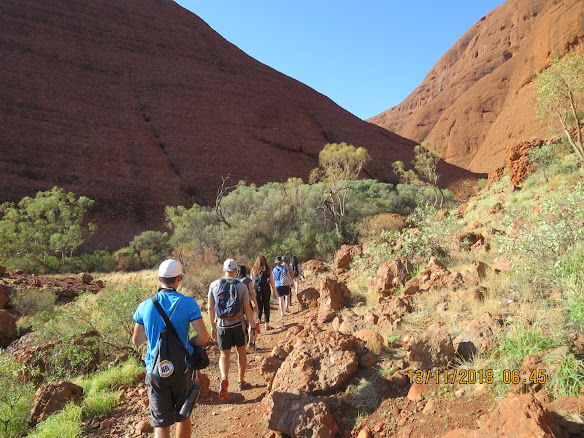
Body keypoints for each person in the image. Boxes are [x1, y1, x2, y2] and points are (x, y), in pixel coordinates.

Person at [132, 259, 209, 438]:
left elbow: (137, 340)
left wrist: (152, 336)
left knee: (161, 423)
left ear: (159, 279)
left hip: (155, 371)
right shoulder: (188, 303)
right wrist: (189, 343)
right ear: (178, 279)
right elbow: (204, 337)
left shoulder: (145, 305)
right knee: (183, 416)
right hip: (181, 369)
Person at [208, 258, 256, 400]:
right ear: (236, 271)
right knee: (241, 352)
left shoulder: (214, 285)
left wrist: (212, 326)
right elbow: (247, 309)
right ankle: (241, 382)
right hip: (238, 325)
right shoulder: (241, 286)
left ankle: (224, 377)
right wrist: (253, 327)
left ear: (224, 270)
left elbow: (210, 308)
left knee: (224, 355)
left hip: (222, 325)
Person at [236, 264, 260, 347]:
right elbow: (252, 294)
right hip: (247, 304)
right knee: (251, 322)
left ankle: (241, 344)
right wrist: (256, 304)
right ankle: (250, 342)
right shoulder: (248, 280)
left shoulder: (233, 281)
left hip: (237, 306)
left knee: (239, 324)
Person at [250, 255, 274, 330]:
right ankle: (267, 324)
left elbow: (251, 281)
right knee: (266, 306)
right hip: (266, 290)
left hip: (256, 291)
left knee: (259, 307)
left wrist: (251, 293)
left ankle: (258, 321)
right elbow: (272, 282)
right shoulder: (268, 269)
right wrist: (275, 292)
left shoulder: (253, 270)